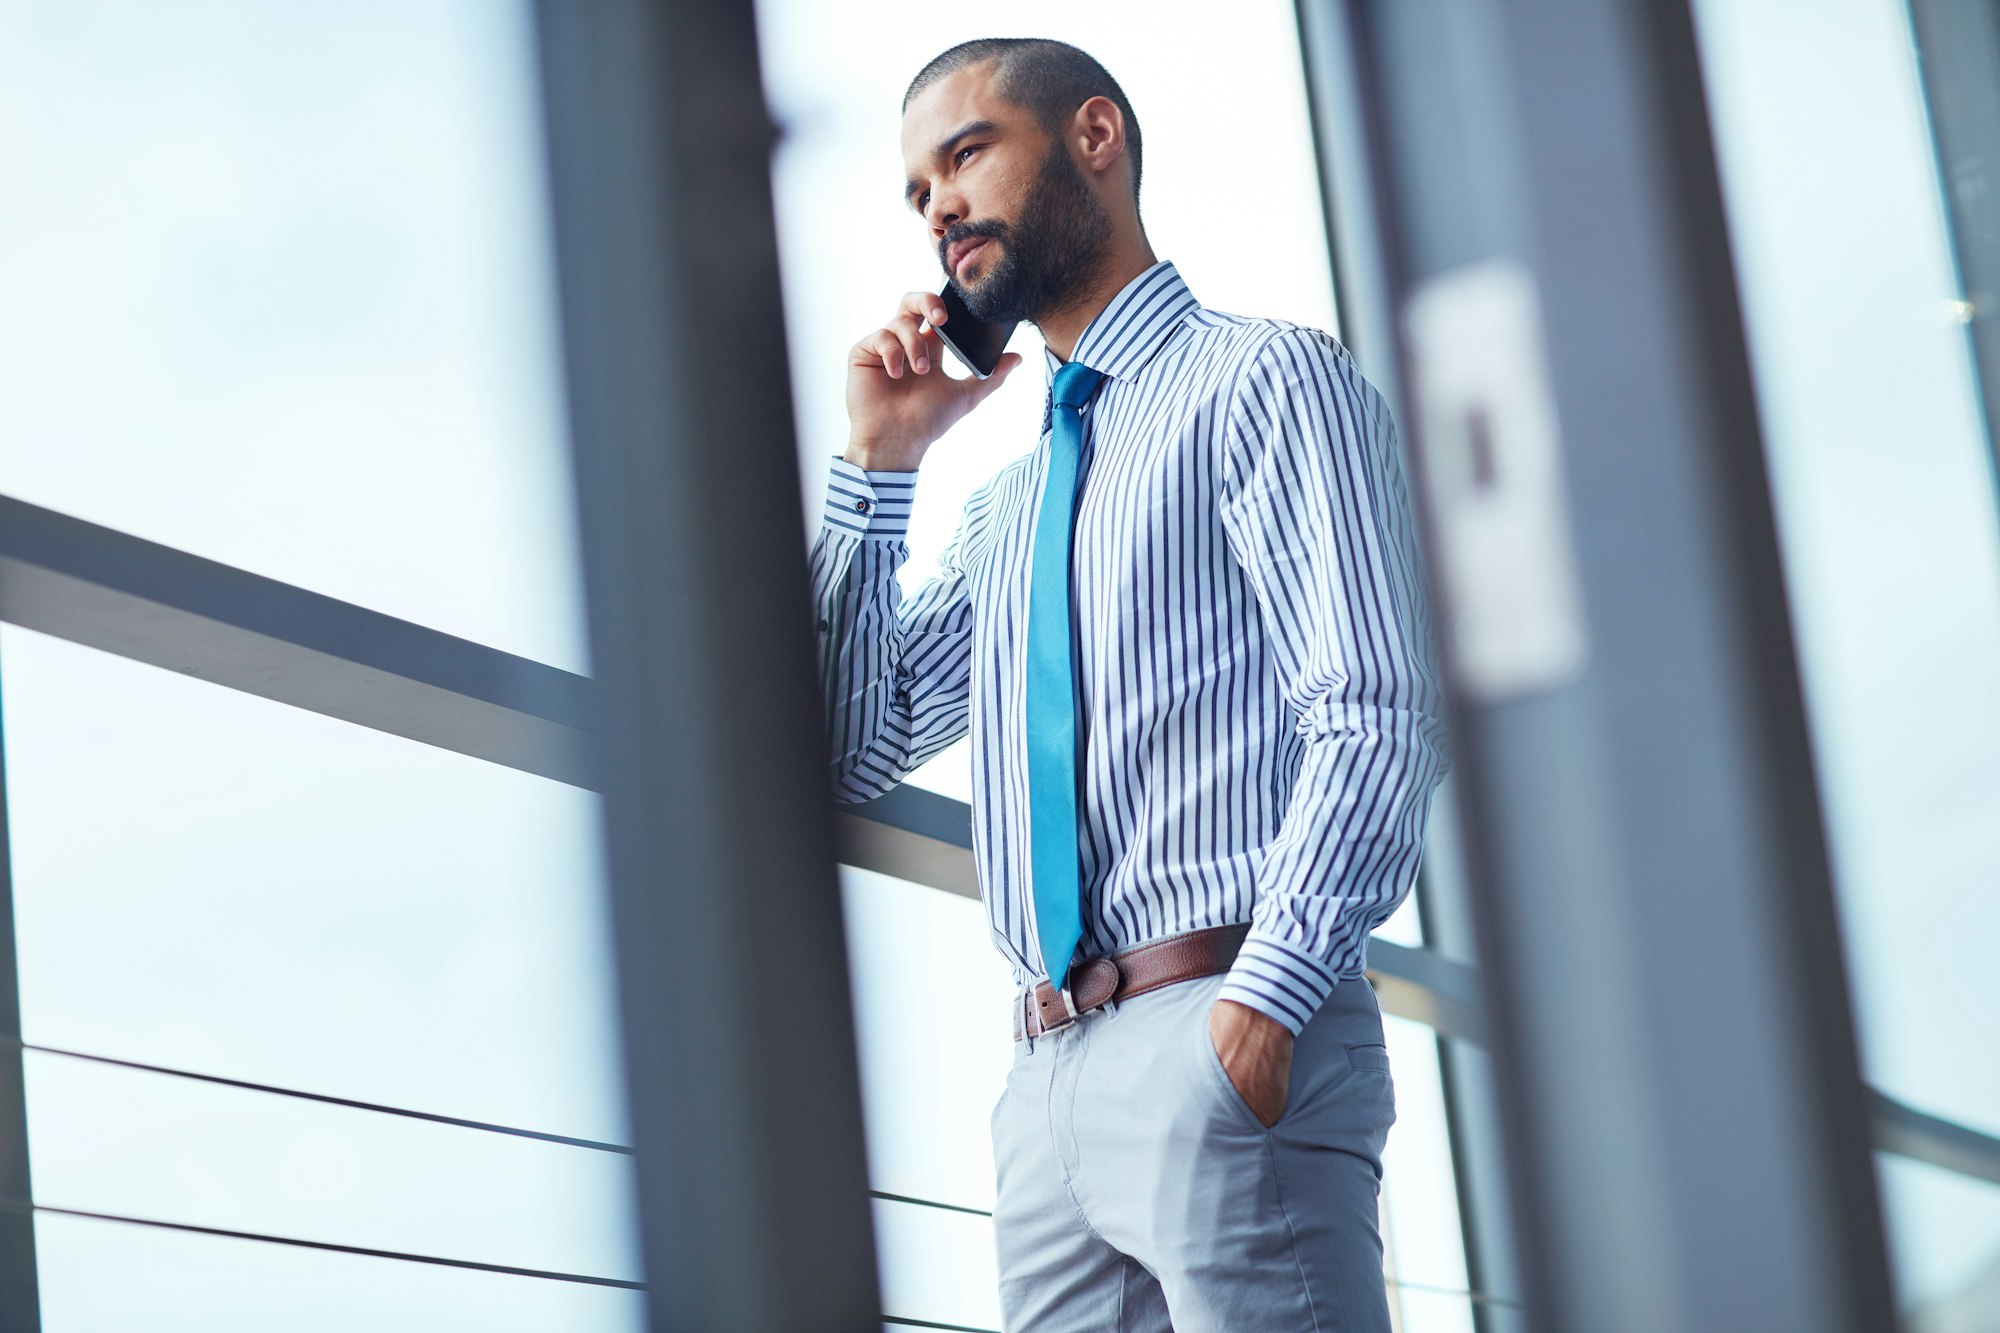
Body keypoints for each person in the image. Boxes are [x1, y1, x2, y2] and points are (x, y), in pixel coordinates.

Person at [811, 36, 1449, 1331]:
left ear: (1094, 138)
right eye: (917, 191)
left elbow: (1375, 708)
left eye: (966, 154)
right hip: (1043, 1087)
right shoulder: (1009, 505)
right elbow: (842, 747)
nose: (938, 208)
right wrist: (877, 472)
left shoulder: (1267, 380)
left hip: (1222, 1017)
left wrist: (1262, 1006)